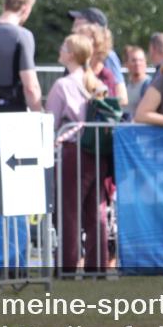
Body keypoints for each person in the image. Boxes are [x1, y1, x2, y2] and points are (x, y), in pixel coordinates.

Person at [45, 33, 111, 272]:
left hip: (73, 152)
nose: (60, 49)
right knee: (96, 210)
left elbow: (50, 120)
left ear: (71, 54)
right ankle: (98, 265)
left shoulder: (63, 85)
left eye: (64, 46)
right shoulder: (97, 84)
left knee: (69, 211)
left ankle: (68, 265)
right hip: (97, 152)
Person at [70, 7, 128, 107]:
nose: (74, 27)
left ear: (94, 28)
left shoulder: (107, 56)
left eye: (80, 22)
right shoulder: (75, 54)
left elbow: (122, 98)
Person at [123, 44, 149, 118]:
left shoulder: (150, 85)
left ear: (145, 63)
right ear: (126, 64)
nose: (137, 63)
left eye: (141, 60)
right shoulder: (126, 86)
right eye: (133, 60)